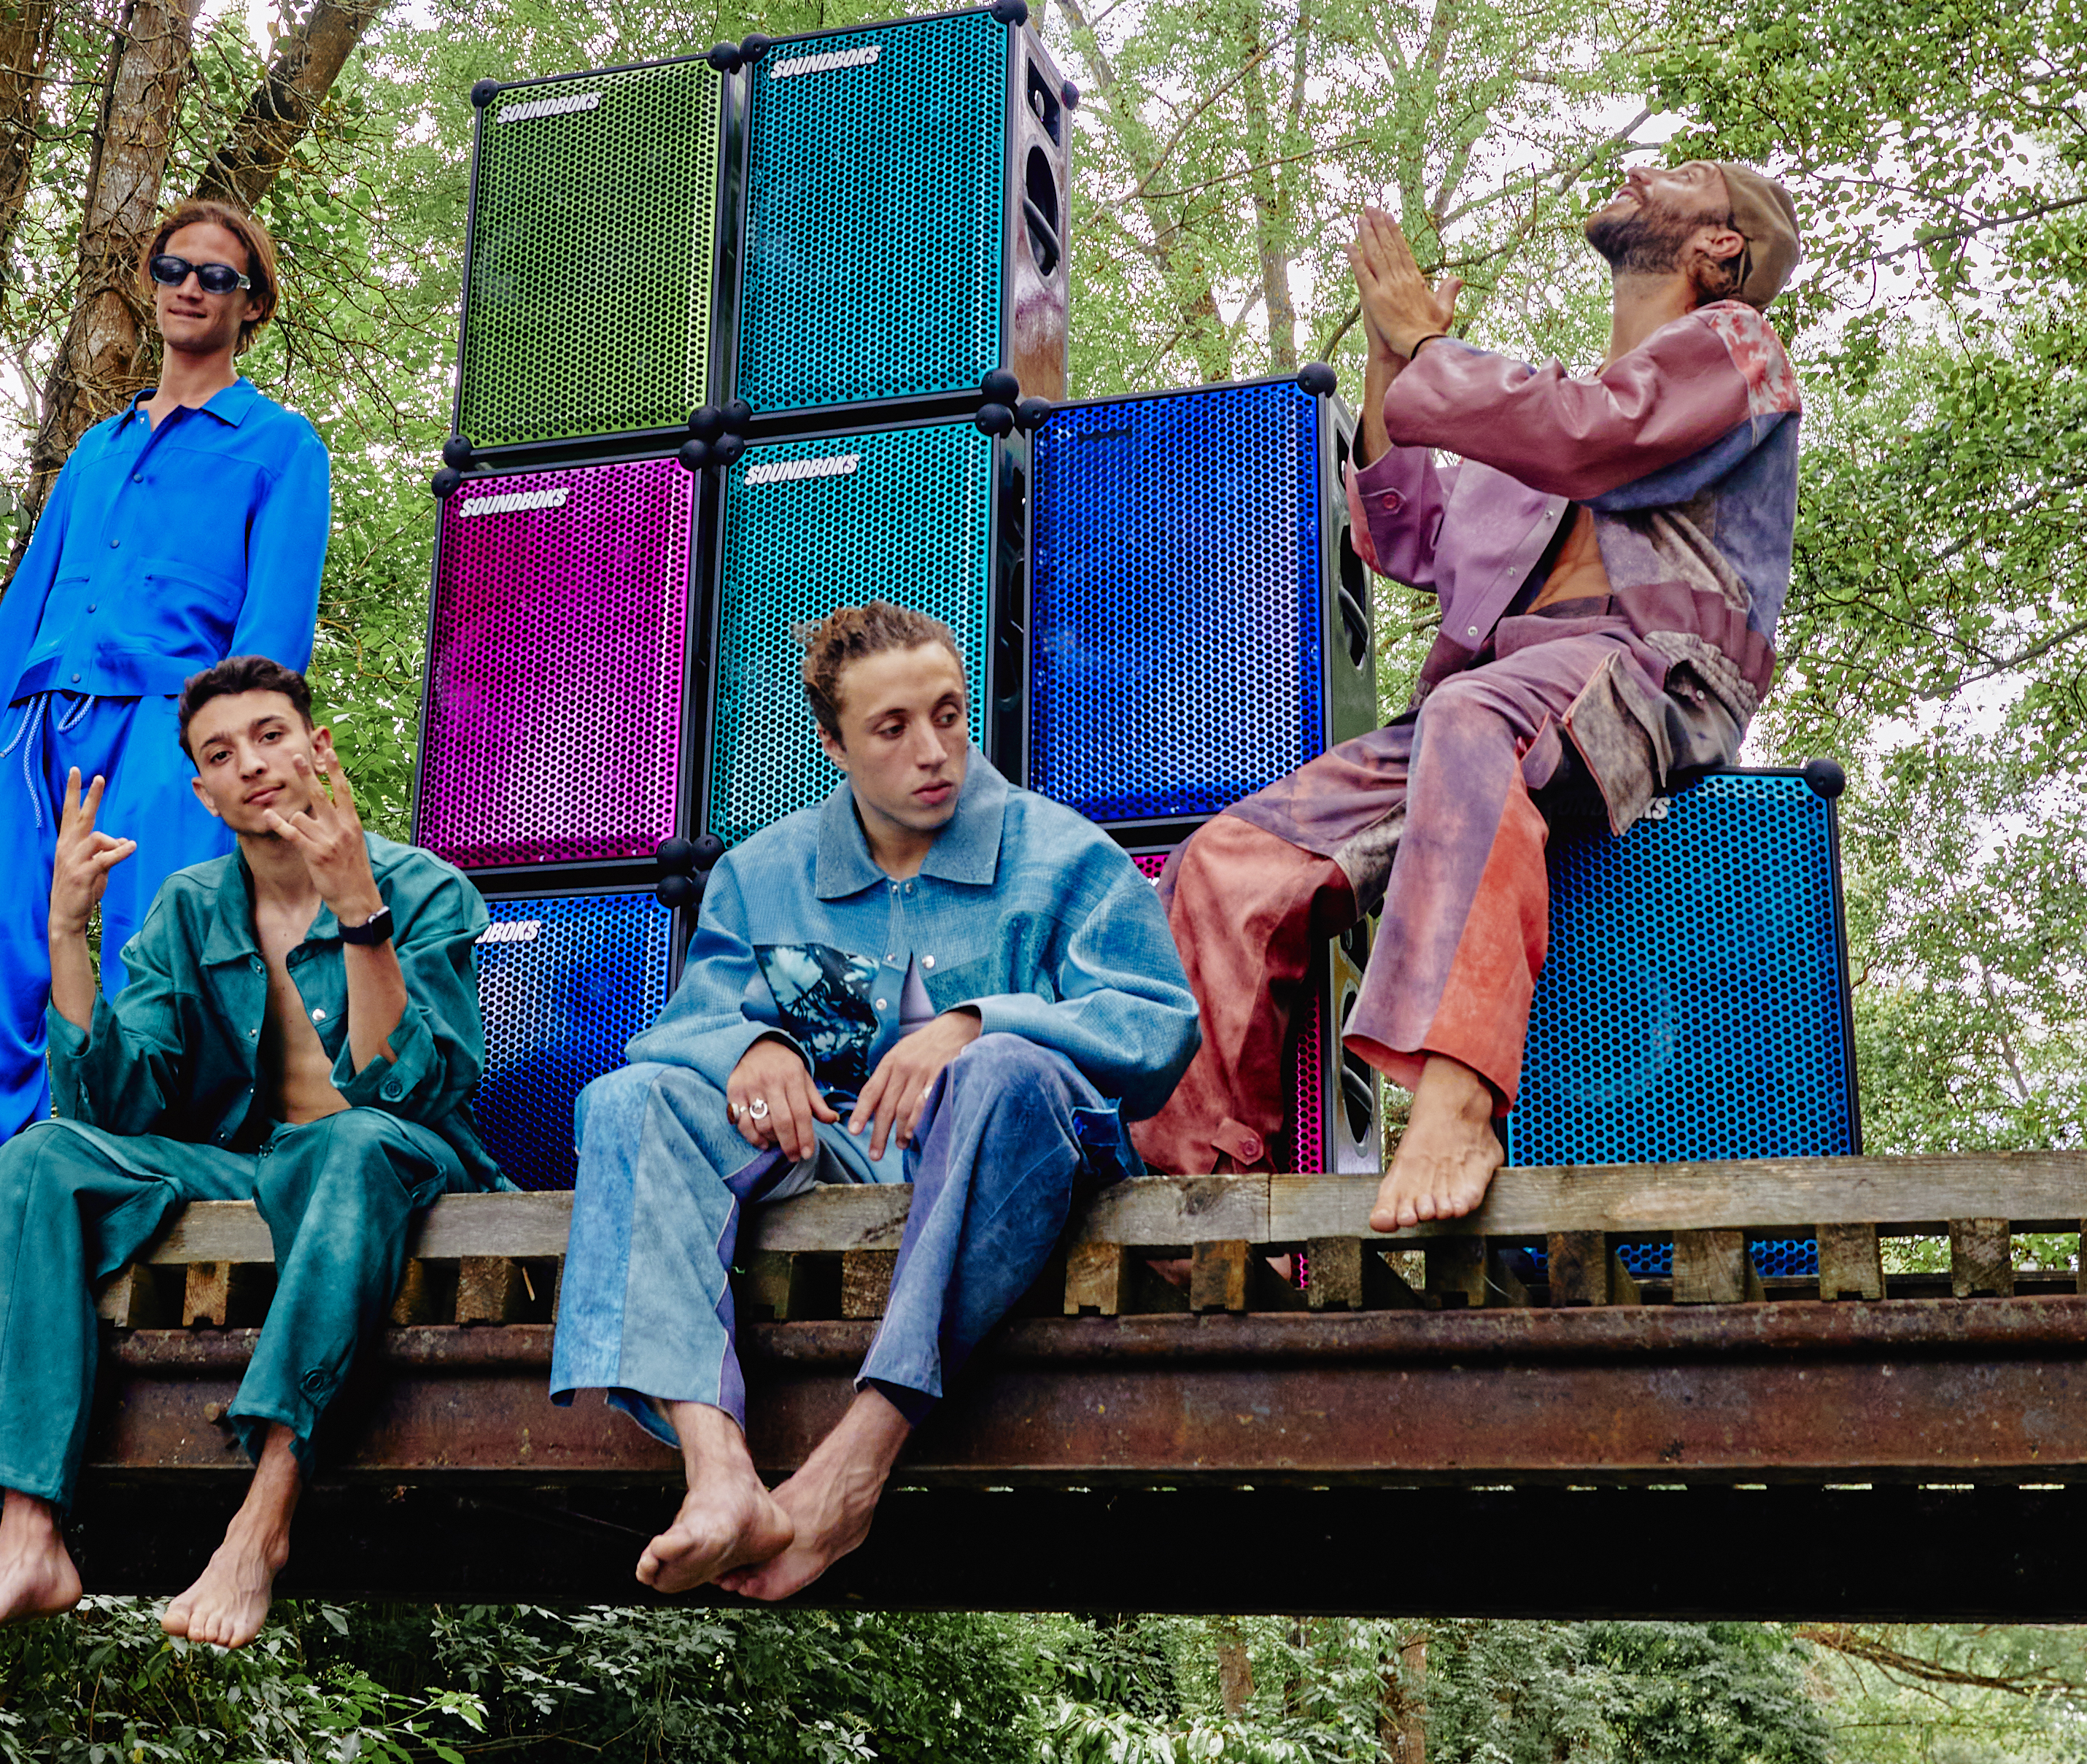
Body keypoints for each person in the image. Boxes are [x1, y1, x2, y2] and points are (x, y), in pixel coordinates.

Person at [1134, 153, 1806, 1233]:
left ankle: (1455, 1100)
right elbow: (1406, 530)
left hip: (1645, 675)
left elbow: (1591, 434)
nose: (1636, 168)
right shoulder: (1525, 421)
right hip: (1485, 714)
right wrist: (1390, 360)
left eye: (1675, 173)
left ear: (1716, 246)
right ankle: (1189, 1193)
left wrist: (1436, 352)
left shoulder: (1736, 350)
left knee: (1468, 715)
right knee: (1229, 861)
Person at [549, 603, 1199, 1603]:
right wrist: (751, 1043)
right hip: (839, 1158)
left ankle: (855, 1460)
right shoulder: (758, 875)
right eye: (892, 728)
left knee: (998, 1071)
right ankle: (717, 1472)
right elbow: (679, 1029)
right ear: (833, 742)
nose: (933, 751)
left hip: (1021, 1167)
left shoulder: (1064, 856)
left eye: (948, 713)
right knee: (627, 1099)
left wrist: (983, 1020)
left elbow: (1158, 1026)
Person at [0, 655, 504, 1654]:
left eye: (271, 735)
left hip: (393, 1161)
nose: (252, 764)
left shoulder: (421, 886)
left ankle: (261, 1515)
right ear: (201, 789)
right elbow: (111, 1100)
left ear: (317, 747)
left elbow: (409, 1090)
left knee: (350, 1140)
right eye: (220, 753)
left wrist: (360, 916)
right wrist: (66, 930)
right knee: (41, 1157)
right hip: (254, 1168)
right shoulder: (189, 905)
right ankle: (26, 1534)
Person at [0, 198, 331, 1204]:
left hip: (167, 726)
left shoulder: (280, 444)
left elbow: (270, 629)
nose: (190, 286)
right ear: (151, 280)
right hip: (35, 727)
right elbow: (20, 616)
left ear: (251, 302)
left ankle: (141, 1179)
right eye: (173, 267)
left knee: (156, 949)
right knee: (1, 965)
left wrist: (238, 760)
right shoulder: (95, 447)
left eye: (216, 275)